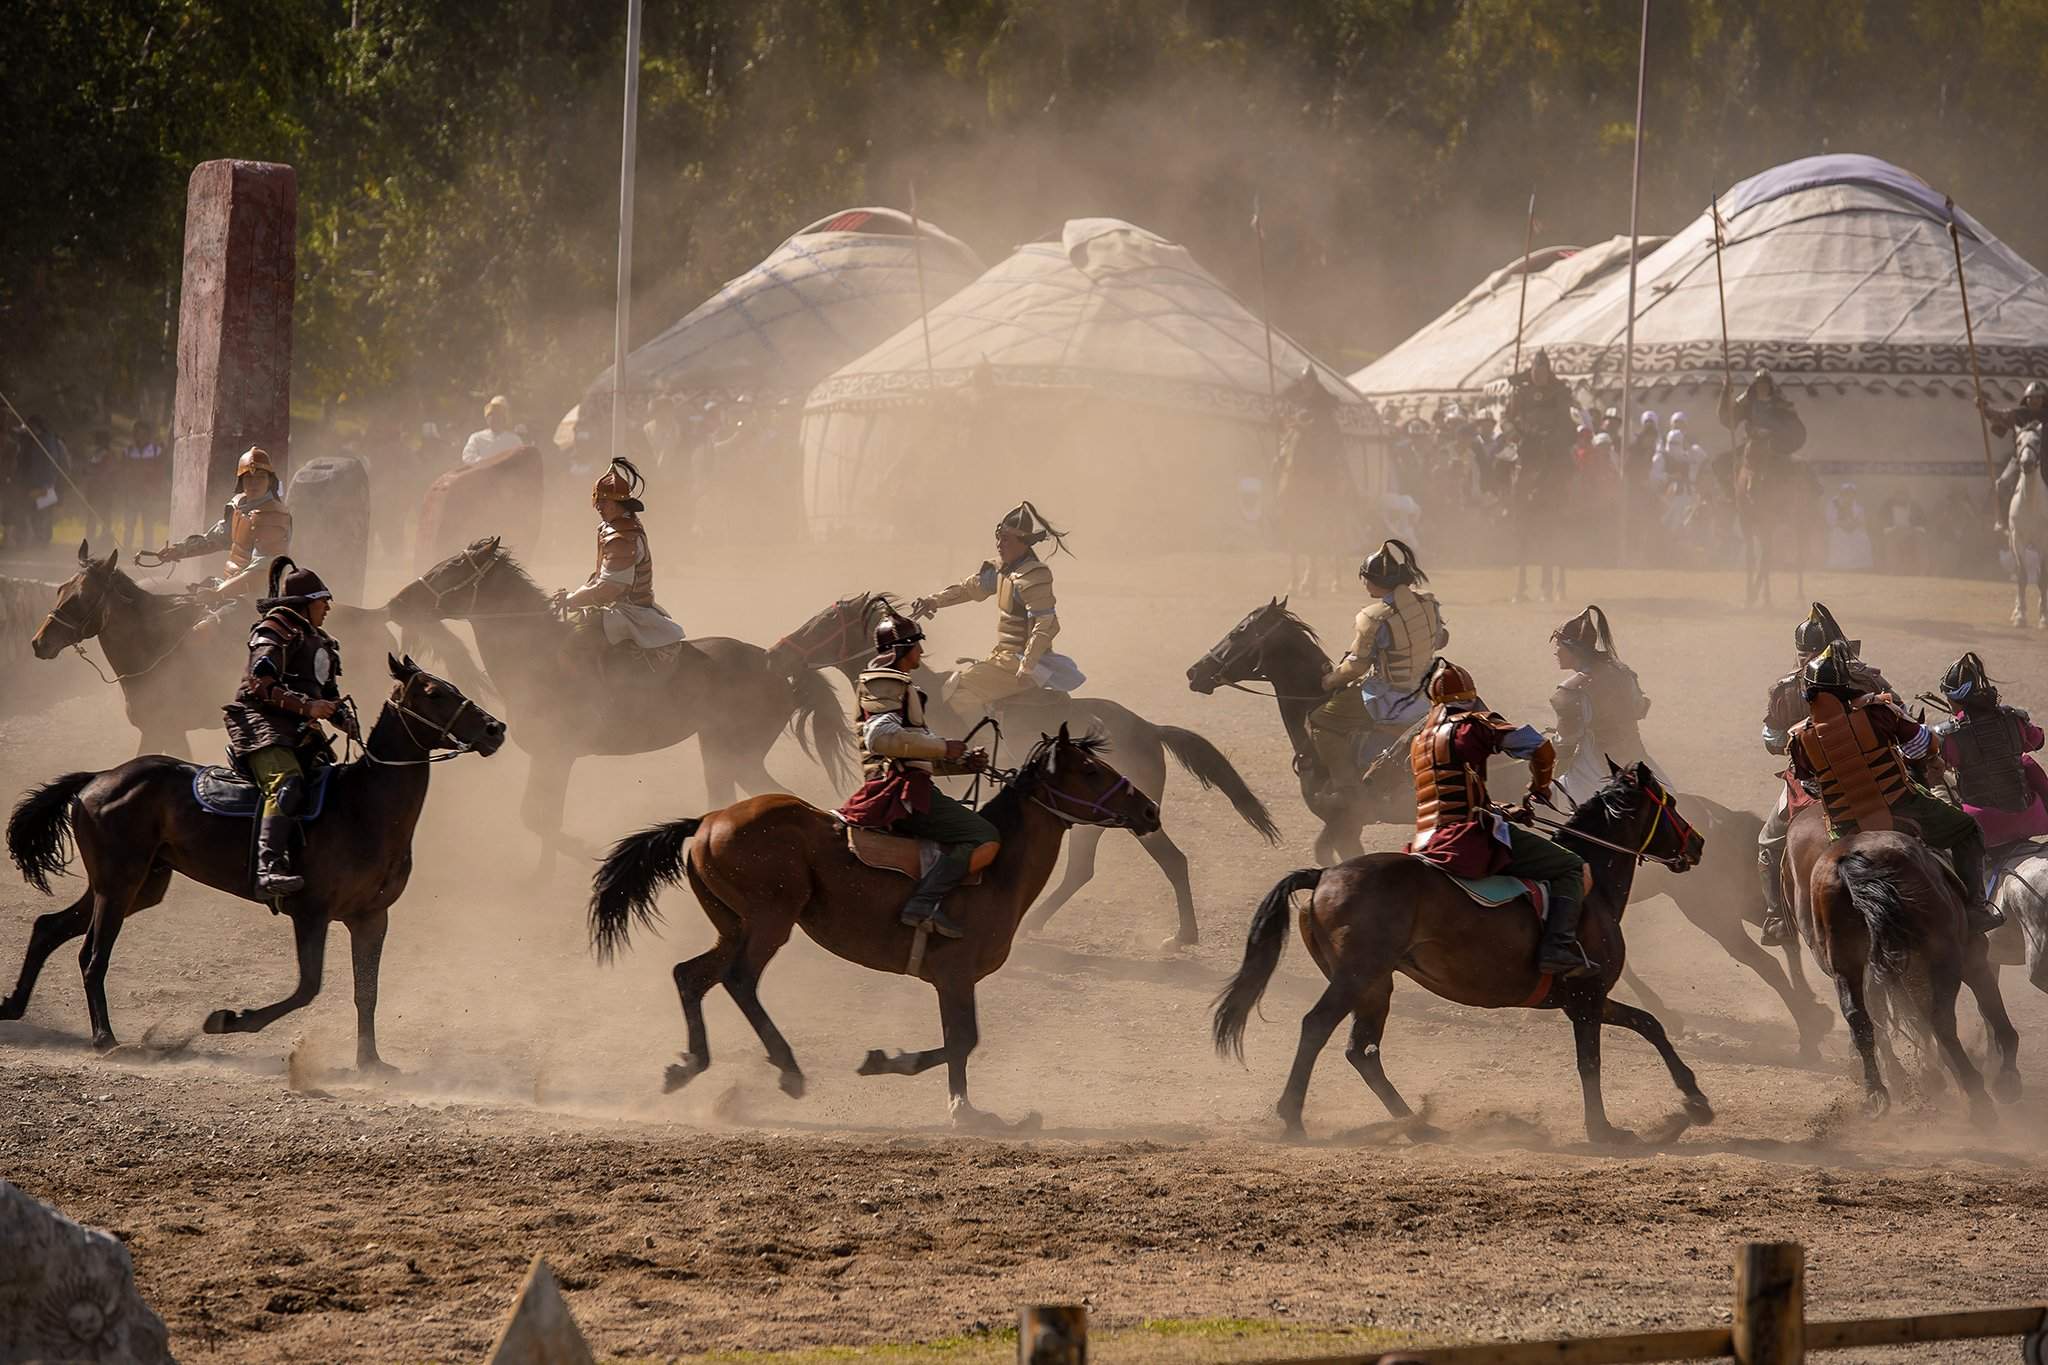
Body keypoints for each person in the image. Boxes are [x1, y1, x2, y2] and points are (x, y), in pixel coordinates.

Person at [1787, 642, 2002, 936]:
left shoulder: (1800, 738)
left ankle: (1794, 924)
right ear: (1845, 685)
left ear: (1808, 691)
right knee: (1968, 829)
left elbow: (1809, 783)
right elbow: (1920, 747)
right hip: (1900, 804)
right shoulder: (1877, 711)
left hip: (1845, 825)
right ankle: (1975, 909)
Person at [1407, 660, 1595, 978]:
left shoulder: (1421, 741)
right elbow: (1542, 750)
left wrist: (1503, 809)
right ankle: (1557, 948)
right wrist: (1539, 786)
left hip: (1425, 840)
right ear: (1471, 696)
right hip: (1466, 838)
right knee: (1571, 867)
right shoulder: (1474, 722)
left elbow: (1451, 794)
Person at [837, 611, 999, 939]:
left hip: (907, 782)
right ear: (902, 649)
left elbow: (911, 753)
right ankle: (923, 904)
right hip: (897, 791)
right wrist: (943, 748)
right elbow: (880, 739)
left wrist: (962, 761)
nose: (921, 654)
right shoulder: (886, 681)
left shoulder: (895, 683)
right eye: (917, 646)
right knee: (984, 836)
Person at [1756, 603, 1891, 946]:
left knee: (1768, 843)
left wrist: (1791, 740)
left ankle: (1776, 918)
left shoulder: (1785, 689)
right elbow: (1896, 716)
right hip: (1870, 775)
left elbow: (1771, 740)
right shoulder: (1867, 678)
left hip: (1810, 786)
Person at [222, 557, 356, 897]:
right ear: (305, 602)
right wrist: (309, 706)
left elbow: (328, 695)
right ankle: (268, 868)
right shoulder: (275, 628)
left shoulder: (322, 642)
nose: (327, 607)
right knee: (286, 781)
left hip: (299, 733)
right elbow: (261, 685)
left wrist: (344, 719)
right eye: (322, 600)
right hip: (260, 725)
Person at [1306, 538, 1448, 797]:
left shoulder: (1373, 617)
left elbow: (1356, 667)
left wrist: (1329, 681)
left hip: (1390, 693)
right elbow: (1441, 639)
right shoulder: (1429, 603)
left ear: (1370, 581)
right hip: (1429, 689)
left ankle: (1346, 790)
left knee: (1320, 721)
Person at [909, 501, 1081, 714]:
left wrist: (1027, 664)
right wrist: (933, 601)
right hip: (1003, 658)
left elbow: (1046, 624)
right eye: (998, 538)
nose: (999, 544)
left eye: (1006, 539)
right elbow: (968, 589)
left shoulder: (1034, 576)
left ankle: (986, 746)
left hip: (1024, 663)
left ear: (1023, 543)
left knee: (956, 694)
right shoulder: (1000, 571)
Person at [553, 457, 687, 664]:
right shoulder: (616, 527)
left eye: (604, 501)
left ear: (618, 502)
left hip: (627, 612)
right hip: (616, 608)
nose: (598, 506)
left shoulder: (621, 536)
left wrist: (572, 599)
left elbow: (610, 588)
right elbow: (600, 580)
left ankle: (594, 697)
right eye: (598, 501)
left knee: (573, 649)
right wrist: (575, 596)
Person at [1933, 652, 2048, 851]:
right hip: (2029, 815)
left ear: (1954, 698)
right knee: (2026, 761)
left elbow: (1935, 766)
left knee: (1937, 785)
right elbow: (2037, 740)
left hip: (1983, 825)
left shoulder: (1948, 735)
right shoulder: (2014, 718)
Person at [1547, 606, 1662, 803]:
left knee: (1544, 803)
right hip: (1637, 760)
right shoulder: (1623, 673)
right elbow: (1639, 707)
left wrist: (1547, 774)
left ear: (1572, 649)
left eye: (1559, 646)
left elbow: (1565, 746)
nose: (1555, 652)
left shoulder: (1570, 692)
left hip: (1595, 769)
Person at [153, 446, 293, 599]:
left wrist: (219, 592)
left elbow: (260, 572)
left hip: (257, 597)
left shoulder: (274, 516)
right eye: (249, 478)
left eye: (260, 477)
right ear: (241, 482)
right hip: (230, 587)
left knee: (207, 623)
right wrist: (178, 550)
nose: (254, 483)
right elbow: (215, 539)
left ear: (270, 481)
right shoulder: (239, 508)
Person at [1983, 381, 2048, 532]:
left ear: (2044, 399)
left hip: (2045, 460)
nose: (2035, 401)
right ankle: (2003, 521)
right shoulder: (2017, 414)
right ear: (2026, 399)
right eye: (2031, 398)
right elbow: (1998, 415)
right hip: (2019, 460)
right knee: (2002, 484)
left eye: (2038, 398)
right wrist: (1984, 408)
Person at [119, 420, 167, 550]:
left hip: (149, 494)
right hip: (132, 493)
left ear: (148, 435)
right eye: (137, 434)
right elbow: (122, 473)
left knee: (148, 524)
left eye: (143, 434)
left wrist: (155, 489)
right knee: (129, 524)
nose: (140, 437)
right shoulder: (128, 452)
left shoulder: (156, 451)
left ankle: (147, 549)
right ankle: (127, 549)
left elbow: (161, 473)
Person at [462, 395, 524, 465]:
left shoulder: (514, 440)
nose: (494, 418)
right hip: (484, 474)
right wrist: (485, 463)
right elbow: (468, 457)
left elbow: (522, 462)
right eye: (491, 415)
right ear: (487, 418)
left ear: (504, 418)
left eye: (498, 415)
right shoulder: (476, 438)